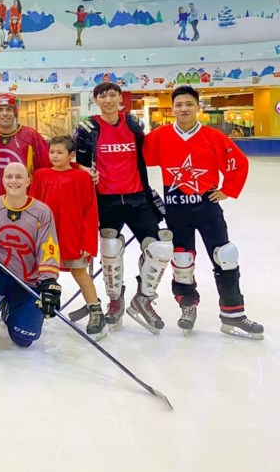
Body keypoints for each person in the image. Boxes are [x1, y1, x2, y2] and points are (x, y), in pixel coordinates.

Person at [143, 85, 262, 339]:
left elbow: (238, 162)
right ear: (172, 109)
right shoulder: (159, 136)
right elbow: (136, 160)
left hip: (207, 207)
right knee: (182, 261)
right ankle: (187, 307)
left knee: (225, 255)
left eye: (189, 104)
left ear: (199, 107)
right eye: (178, 105)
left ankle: (233, 314)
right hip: (176, 209)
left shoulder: (214, 137)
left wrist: (227, 189)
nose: (183, 109)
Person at [74, 82, 173, 333]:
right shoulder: (88, 127)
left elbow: (147, 153)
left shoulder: (132, 123)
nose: (107, 100)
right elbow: (78, 164)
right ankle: (115, 301)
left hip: (138, 197)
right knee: (110, 248)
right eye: (102, 96)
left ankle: (144, 298)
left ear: (120, 98)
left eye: (112, 95)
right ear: (96, 100)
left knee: (159, 249)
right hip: (106, 199)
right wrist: (83, 171)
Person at [0, 162, 63, 358]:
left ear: (28, 181)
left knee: (24, 338)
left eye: (18, 177)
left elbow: (48, 248)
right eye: (9, 177)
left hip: (25, 282)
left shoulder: (42, 212)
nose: (13, 181)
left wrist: (49, 283)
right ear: (3, 180)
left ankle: (10, 307)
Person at [29, 136, 104, 340]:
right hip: (46, 236)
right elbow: (33, 205)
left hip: (73, 234)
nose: (54, 156)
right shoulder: (41, 175)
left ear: (71, 155)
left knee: (79, 272)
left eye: (60, 152)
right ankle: (34, 307)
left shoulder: (82, 178)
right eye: (52, 152)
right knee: (41, 273)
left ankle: (95, 310)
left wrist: (88, 241)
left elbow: (90, 211)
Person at [0, 92, 50, 197]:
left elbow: (47, 166)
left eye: (9, 109)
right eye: (0, 109)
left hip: (26, 200)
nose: (5, 113)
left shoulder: (30, 135)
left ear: (15, 111)